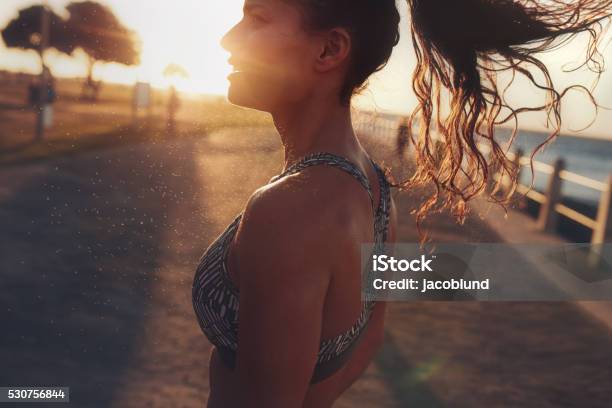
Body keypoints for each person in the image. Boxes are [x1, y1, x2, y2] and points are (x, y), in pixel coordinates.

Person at [192, 0, 611, 407]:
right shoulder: (373, 188)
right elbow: (367, 340)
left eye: (257, 18)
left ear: (329, 49)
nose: (229, 39)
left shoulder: (290, 209)